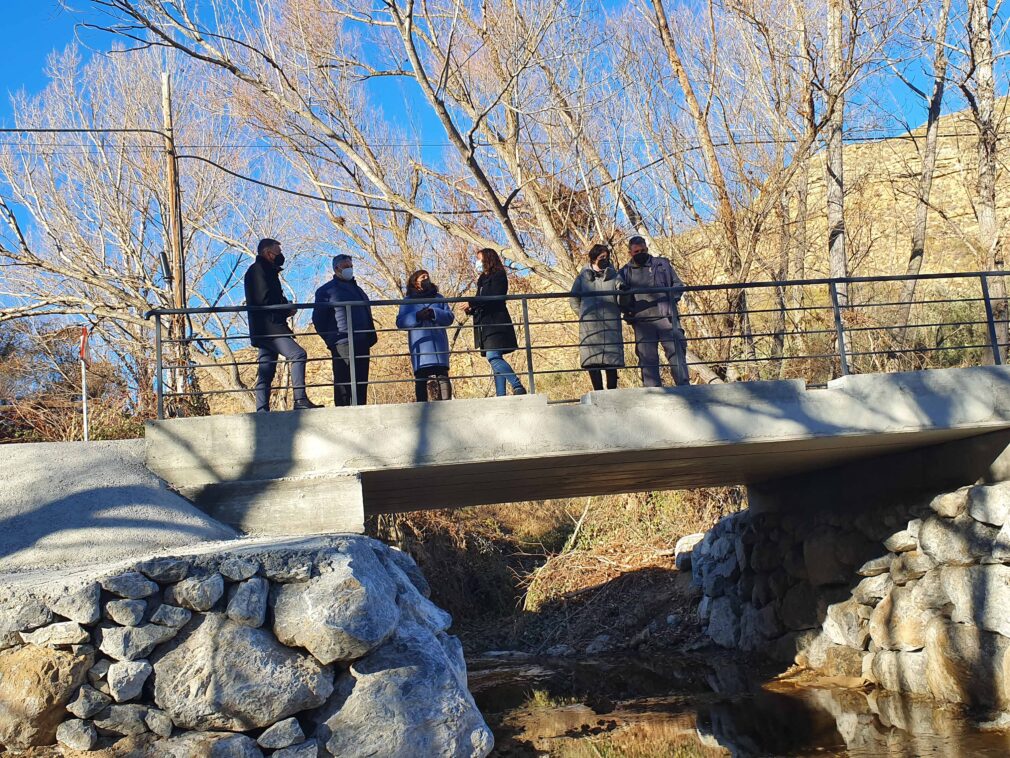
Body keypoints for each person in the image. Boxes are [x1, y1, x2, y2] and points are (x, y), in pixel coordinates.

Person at [244, 238, 319, 412]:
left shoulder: (265, 270)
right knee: (298, 354)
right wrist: (286, 309)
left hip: (265, 328)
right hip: (270, 328)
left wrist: (285, 306)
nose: (280, 256)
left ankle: (262, 410)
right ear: (267, 253)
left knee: (267, 369)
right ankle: (299, 400)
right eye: (277, 252)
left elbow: (268, 297)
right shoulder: (259, 270)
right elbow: (264, 300)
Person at [618, 235, 690, 387]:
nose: (641, 253)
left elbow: (678, 285)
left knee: (676, 353)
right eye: (637, 252)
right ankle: (654, 394)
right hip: (642, 322)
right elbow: (620, 299)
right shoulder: (624, 272)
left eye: (643, 250)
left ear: (647, 248)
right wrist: (628, 311)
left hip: (666, 318)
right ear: (630, 253)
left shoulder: (662, 264)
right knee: (647, 360)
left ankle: (684, 389)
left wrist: (670, 300)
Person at [312, 254, 377, 406]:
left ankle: (360, 410)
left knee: (361, 381)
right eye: (346, 266)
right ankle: (342, 411)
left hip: (362, 341)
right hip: (342, 341)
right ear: (336, 268)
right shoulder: (326, 291)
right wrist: (332, 339)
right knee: (343, 381)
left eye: (351, 266)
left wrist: (369, 336)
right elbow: (318, 319)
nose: (349, 269)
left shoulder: (359, 290)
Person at [464, 248, 527, 397]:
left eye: (479, 259)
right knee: (495, 360)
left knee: (493, 357)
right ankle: (501, 395)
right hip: (484, 325)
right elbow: (480, 300)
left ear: (488, 259)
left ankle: (517, 385)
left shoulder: (499, 275)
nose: (477, 262)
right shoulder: (481, 280)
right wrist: (470, 309)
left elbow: (493, 297)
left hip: (496, 323)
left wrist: (472, 303)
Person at [569, 243, 625, 391]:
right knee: (592, 362)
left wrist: (622, 293)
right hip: (590, 328)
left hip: (611, 326)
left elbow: (621, 300)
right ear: (593, 259)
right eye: (602, 257)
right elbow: (573, 300)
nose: (605, 259)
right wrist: (583, 315)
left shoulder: (615, 276)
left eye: (607, 257)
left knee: (611, 362)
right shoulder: (582, 278)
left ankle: (612, 393)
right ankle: (598, 393)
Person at [396, 270, 455, 402]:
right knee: (421, 377)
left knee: (442, 374)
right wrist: (417, 316)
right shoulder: (408, 301)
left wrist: (434, 313)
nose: (426, 278)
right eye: (423, 277)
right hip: (420, 343)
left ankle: (447, 404)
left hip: (438, 341)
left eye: (427, 276)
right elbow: (400, 322)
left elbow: (450, 317)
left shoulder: (439, 298)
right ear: (415, 281)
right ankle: (422, 406)